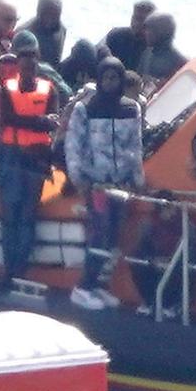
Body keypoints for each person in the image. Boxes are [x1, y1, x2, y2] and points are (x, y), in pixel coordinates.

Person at [63, 56, 145, 311]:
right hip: (96, 184)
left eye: (115, 78)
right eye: (106, 78)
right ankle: (83, 287)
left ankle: (99, 285)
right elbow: (73, 146)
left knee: (113, 237)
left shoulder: (131, 109)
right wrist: (79, 179)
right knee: (100, 233)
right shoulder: (85, 109)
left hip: (121, 184)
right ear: (99, 80)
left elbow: (135, 145)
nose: (110, 83)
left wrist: (137, 178)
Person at [0, 43, 63, 286]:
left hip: (37, 158)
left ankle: (19, 268)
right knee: (11, 212)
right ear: (18, 63)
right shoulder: (6, 89)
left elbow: (53, 122)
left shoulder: (49, 89)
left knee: (28, 214)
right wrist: (39, 121)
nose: (29, 65)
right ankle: (10, 268)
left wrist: (34, 122)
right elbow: (9, 119)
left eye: (33, 60)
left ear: (38, 63)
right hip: (11, 155)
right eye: (24, 60)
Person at [133, 12, 185, 85]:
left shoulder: (179, 60)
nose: (145, 33)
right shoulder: (147, 53)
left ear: (162, 32)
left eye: (150, 30)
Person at [102, 0, 154, 69]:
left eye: (141, 19)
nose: (137, 23)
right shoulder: (116, 35)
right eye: (135, 17)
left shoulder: (155, 47)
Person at [28, 0, 69, 68]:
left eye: (54, 14)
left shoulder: (62, 30)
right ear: (39, 11)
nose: (50, 19)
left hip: (54, 73)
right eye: (46, 13)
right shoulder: (26, 32)